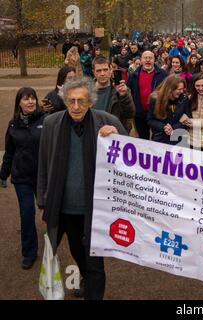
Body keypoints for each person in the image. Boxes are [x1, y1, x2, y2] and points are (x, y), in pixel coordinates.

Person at [37, 77, 127, 300]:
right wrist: (43, 199)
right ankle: (86, 280)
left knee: (95, 263)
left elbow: (130, 157)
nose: (76, 107)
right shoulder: (51, 124)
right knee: (78, 253)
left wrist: (117, 138)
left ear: (90, 102)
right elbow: (43, 164)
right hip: (64, 208)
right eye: (71, 101)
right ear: (65, 101)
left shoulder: (106, 121)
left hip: (95, 209)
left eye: (81, 101)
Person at [0, 87, 46, 270]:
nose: (30, 102)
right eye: (26, 99)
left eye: (33, 98)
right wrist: (3, 174)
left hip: (43, 177)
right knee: (27, 215)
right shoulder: (13, 125)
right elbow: (9, 152)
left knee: (51, 214)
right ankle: (29, 252)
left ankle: (53, 246)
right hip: (22, 178)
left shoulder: (46, 120)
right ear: (19, 102)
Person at [127, 51, 168, 140]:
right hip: (140, 114)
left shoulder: (163, 74)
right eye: (145, 58)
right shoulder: (133, 75)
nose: (148, 60)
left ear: (154, 60)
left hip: (157, 114)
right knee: (143, 139)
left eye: (150, 58)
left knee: (158, 139)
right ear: (141, 60)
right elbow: (129, 93)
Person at [92, 56, 135, 133]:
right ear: (93, 72)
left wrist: (124, 96)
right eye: (98, 71)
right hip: (92, 134)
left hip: (113, 135)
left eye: (105, 70)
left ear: (111, 70)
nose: (102, 74)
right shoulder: (86, 91)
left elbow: (130, 114)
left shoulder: (121, 90)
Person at [147, 75, 191, 145]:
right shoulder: (155, 99)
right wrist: (163, 127)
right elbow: (150, 120)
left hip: (179, 139)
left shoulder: (184, 99)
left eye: (183, 89)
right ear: (170, 89)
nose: (181, 92)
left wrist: (173, 128)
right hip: (160, 138)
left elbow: (187, 117)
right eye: (179, 89)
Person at [182, 73, 203, 149]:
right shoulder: (190, 97)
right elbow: (181, 113)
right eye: (197, 86)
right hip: (190, 139)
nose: (200, 88)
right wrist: (185, 120)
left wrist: (195, 123)